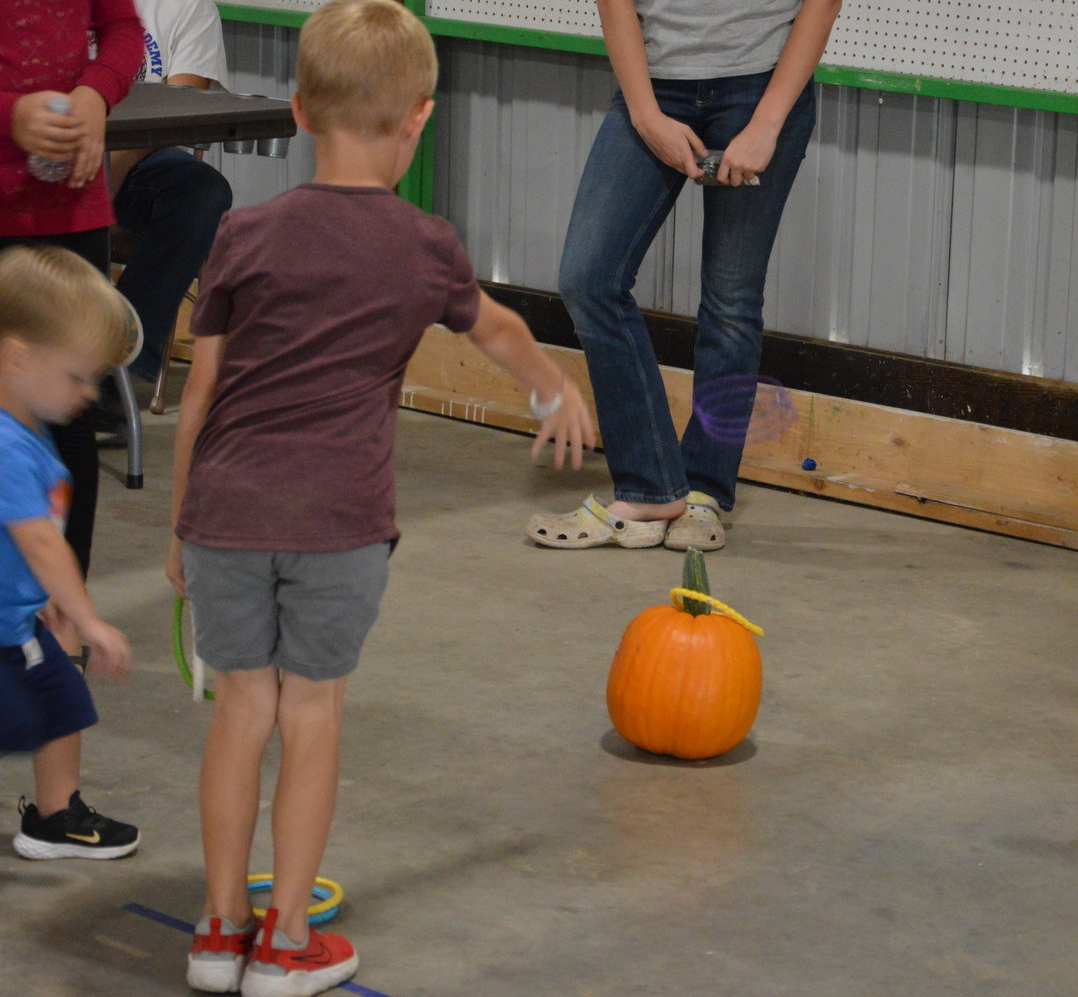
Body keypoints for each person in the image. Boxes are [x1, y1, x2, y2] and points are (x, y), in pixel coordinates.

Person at [165, 3, 593, 992]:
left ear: (302, 109)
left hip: (226, 508)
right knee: (311, 710)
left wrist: (184, 525)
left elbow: (198, 396)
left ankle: (219, 928)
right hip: (341, 522)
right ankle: (282, 946)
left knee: (240, 708)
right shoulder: (424, 245)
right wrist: (551, 389)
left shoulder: (242, 233)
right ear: (419, 118)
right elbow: (494, 329)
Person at [528, 0, 841, 552]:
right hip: (653, 89)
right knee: (589, 279)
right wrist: (647, 117)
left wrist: (768, 124)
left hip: (761, 91)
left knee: (731, 303)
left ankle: (705, 490)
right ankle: (651, 488)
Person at [0, 247, 139, 870]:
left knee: (63, 699)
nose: (89, 393)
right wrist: (89, 618)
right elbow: (42, 542)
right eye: (77, 376)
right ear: (17, 358)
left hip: (2, 619)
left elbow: (19, 540)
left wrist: (44, 600)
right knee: (6, 723)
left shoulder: (26, 429)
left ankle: (54, 816)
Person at [0, 0, 144, 581]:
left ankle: (63, 622)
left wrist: (96, 93)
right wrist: (3, 115)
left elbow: (121, 27)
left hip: (66, 190)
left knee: (71, 413)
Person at [107, 0, 233, 392]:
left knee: (203, 193)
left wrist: (108, 178)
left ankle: (117, 366)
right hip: (51, 150)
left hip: (130, 160)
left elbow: (173, 114)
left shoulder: (189, 7)